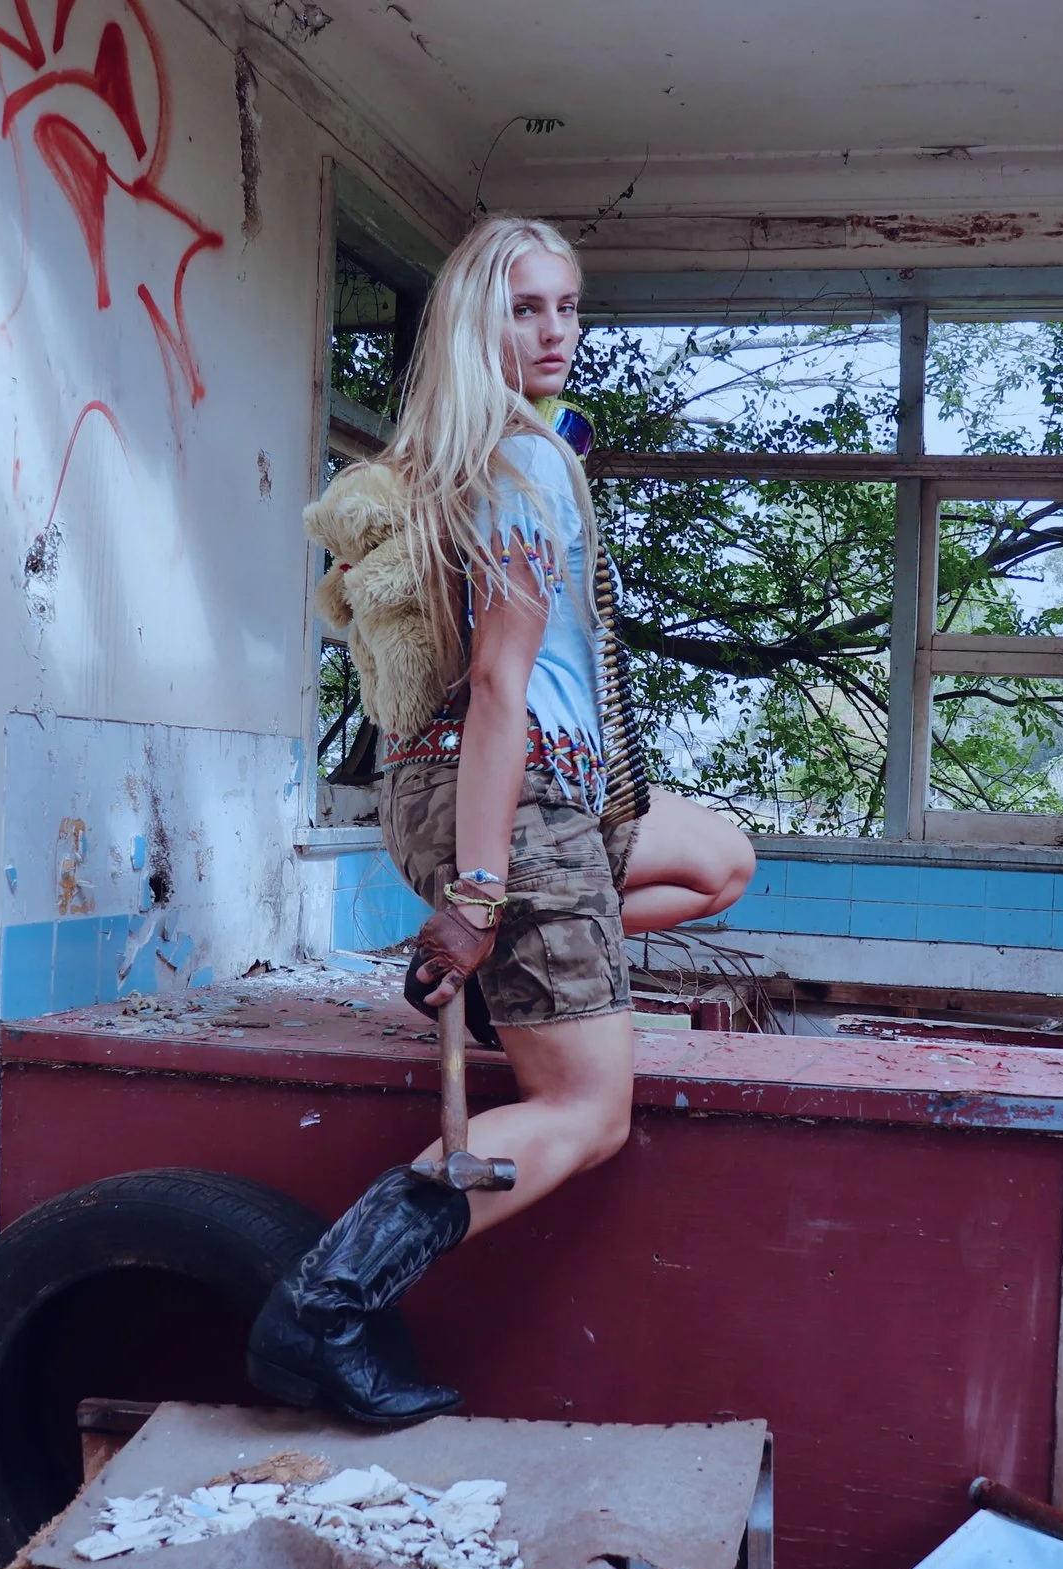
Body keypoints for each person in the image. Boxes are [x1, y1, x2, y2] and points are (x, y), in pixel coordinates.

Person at [246, 217, 755, 1425]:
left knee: (720, 858)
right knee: (586, 1111)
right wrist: (480, 895)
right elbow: (494, 684)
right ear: (479, 325)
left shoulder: (476, 454)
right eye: (526, 308)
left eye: (567, 306)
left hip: (535, 796)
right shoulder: (520, 464)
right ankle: (321, 1308)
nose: (556, 331)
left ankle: (518, 969)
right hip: (511, 798)